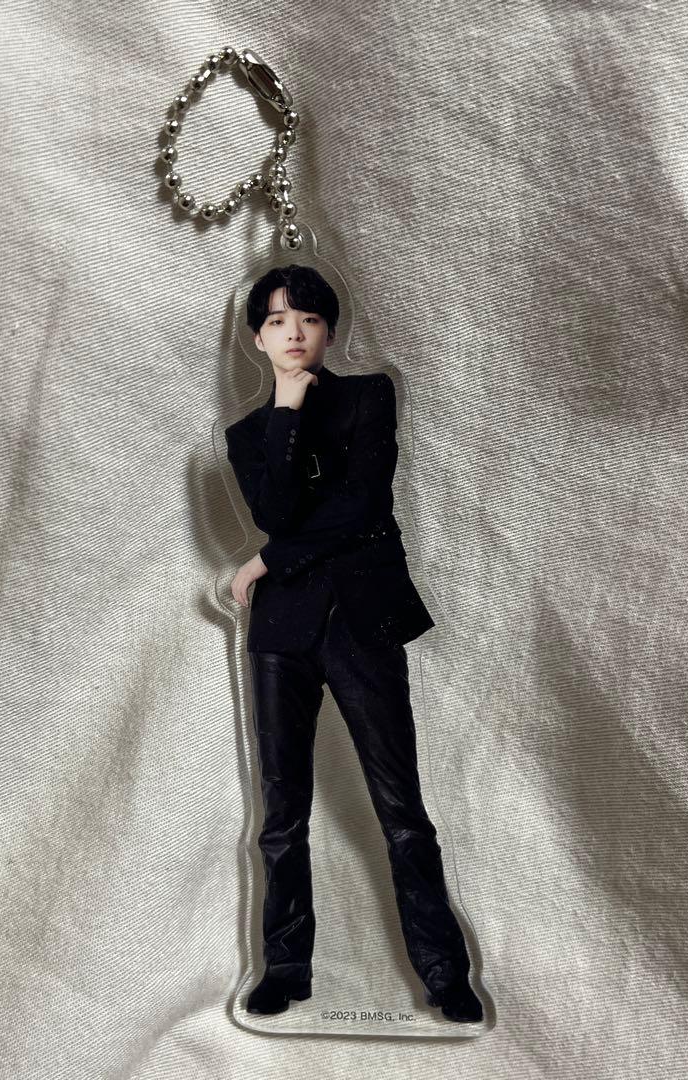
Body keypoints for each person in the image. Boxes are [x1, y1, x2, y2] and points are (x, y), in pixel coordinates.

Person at [223, 263, 484, 1024]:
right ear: (257, 338)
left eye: (308, 318)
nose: (293, 333)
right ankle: (285, 969)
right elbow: (277, 510)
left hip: (361, 622)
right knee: (281, 816)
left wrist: (267, 561)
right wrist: (286, 411)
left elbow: (362, 506)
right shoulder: (247, 434)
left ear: (330, 330)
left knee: (401, 808)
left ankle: (445, 973)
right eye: (276, 321)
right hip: (281, 632)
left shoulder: (370, 396)